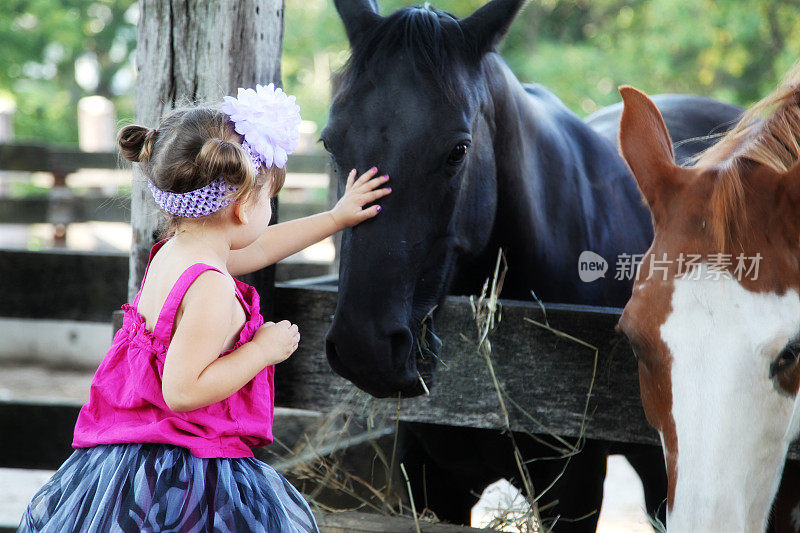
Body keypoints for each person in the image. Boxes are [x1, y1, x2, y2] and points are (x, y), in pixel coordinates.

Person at [17, 84, 391, 532]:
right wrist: (262, 351)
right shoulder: (211, 287)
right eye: (268, 198)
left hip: (133, 461)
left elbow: (257, 248)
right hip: (185, 474)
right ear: (240, 207)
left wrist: (334, 218)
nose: (269, 210)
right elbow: (183, 390)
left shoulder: (180, 253)